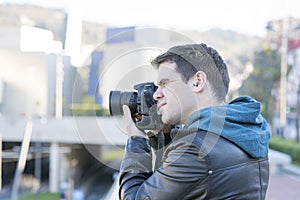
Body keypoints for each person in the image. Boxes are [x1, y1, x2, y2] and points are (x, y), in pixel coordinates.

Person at [119, 43, 271, 200]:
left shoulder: (195, 149)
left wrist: (136, 140)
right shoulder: (241, 130)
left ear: (197, 81)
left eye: (164, 84)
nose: (157, 95)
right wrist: (163, 136)